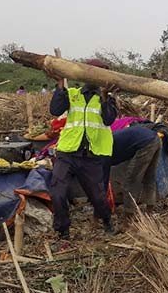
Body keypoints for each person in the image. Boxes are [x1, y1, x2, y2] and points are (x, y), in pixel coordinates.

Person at [48, 59, 118, 239]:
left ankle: (107, 221)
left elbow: (108, 120)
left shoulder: (108, 100)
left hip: (91, 155)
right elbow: (55, 110)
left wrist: (104, 97)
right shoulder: (72, 94)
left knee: (98, 197)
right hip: (67, 152)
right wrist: (60, 85)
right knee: (57, 192)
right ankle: (63, 230)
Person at [104, 126, 161, 219]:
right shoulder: (110, 141)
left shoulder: (105, 150)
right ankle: (149, 210)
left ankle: (128, 217)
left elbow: (104, 176)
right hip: (155, 138)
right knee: (149, 176)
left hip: (145, 143)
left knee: (131, 181)